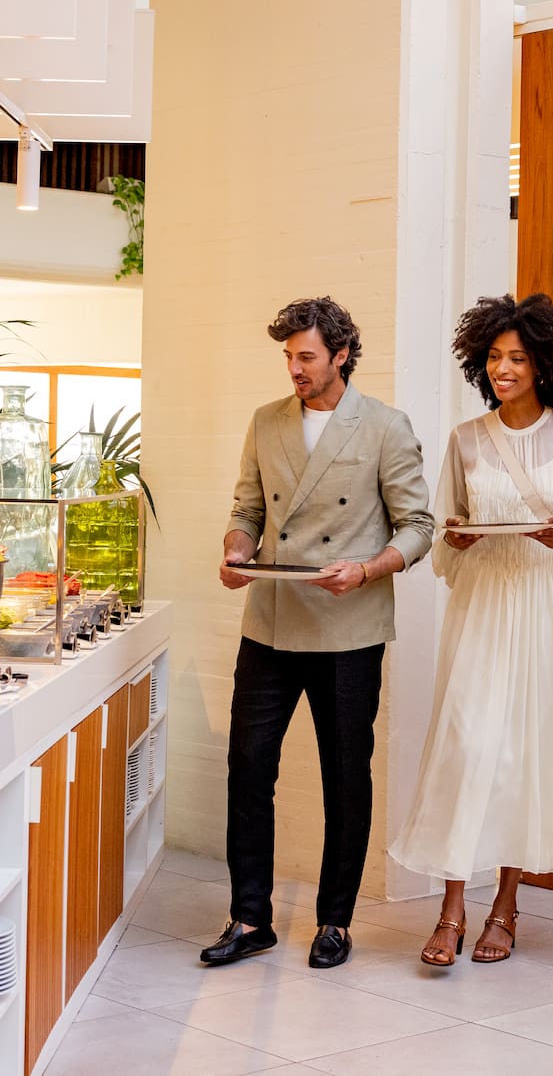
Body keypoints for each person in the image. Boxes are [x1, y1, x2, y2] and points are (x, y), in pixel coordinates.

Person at [201, 296, 435, 971]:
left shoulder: (385, 426)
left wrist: (365, 569)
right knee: (248, 766)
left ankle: (335, 920)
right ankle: (250, 916)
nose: (295, 369)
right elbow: (245, 508)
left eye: (306, 356)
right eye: (288, 357)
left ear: (340, 355)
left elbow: (419, 528)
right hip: (271, 618)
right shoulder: (266, 421)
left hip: (349, 627)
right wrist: (238, 552)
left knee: (344, 777)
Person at [388, 292, 553, 966]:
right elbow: (442, 533)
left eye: (517, 357)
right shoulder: (465, 440)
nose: (503, 369)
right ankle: (450, 907)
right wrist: (455, 541)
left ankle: (505, 906)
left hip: (544, 612)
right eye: (494, 356)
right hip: (482, 610)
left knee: (524, 753)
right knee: (466, 747)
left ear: (546, 363)